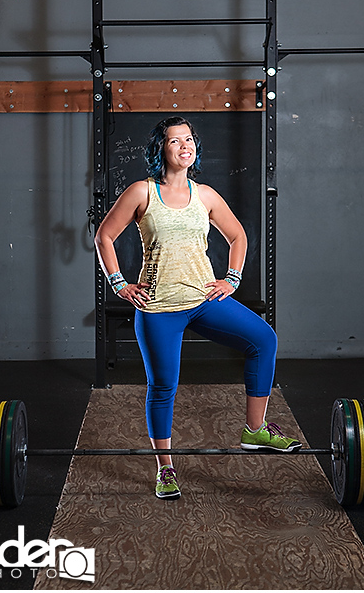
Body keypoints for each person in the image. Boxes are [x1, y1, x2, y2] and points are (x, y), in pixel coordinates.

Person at [94, 116, 300, 501]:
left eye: (189, 140)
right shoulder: (143, 192)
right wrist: (119, 283)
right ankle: (165, 469)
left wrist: (232, 279)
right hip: (158, 309)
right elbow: (104, 236)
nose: (184, 146)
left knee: (264, 340)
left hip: (204, 301)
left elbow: (238, 236)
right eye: (175, 141)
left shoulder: (204, 195)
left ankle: (255, 430)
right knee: (162, 387)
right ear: (162, 149)